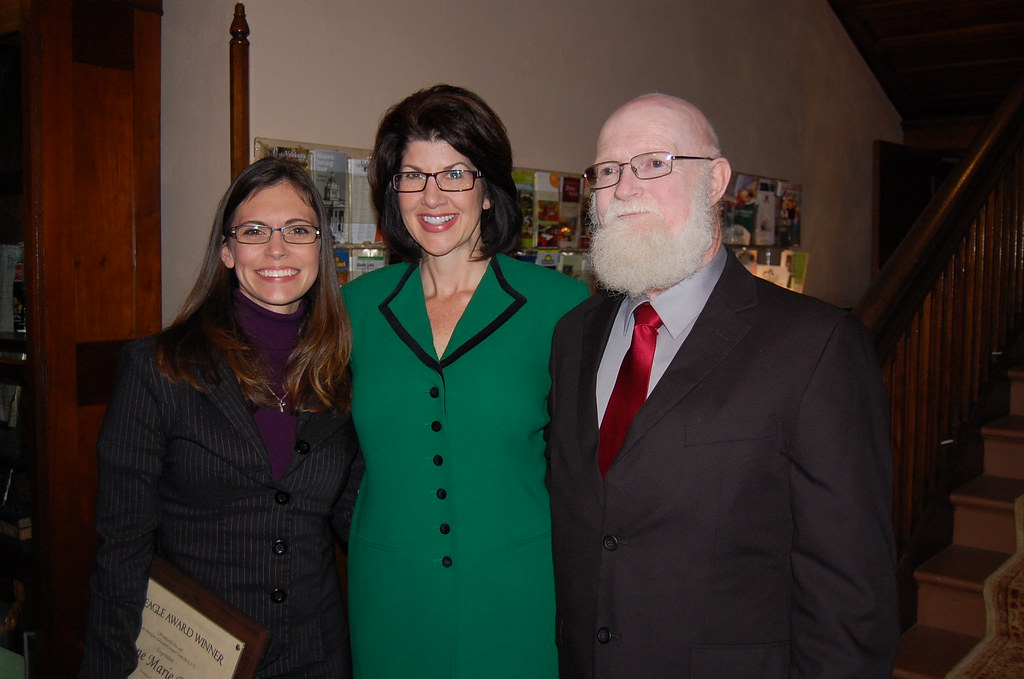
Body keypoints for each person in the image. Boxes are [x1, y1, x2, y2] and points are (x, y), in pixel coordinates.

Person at [546, 93, 899, 678]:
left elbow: (850, 588)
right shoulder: (573, 337)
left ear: (715, 180)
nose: (625, 188)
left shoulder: (816, 345)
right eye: (607, 171)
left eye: (654, 162)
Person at [341, 84, 589, 679]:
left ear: (487, 190)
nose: (432, 196)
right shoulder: (355, 308)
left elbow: (589, 466)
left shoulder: (562, 307)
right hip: (391, 596)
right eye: (412, 175)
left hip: (519, 595)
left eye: (455, 173)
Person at [82, 158, 362, 678]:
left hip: (317, 655)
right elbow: (122, 549)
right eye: (254, 232)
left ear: (320, 249)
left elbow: (359, 521)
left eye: (298, 230)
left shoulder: (343, 373)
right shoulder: (158, 368)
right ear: (227, 251)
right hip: (198, 653)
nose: (277, 249)